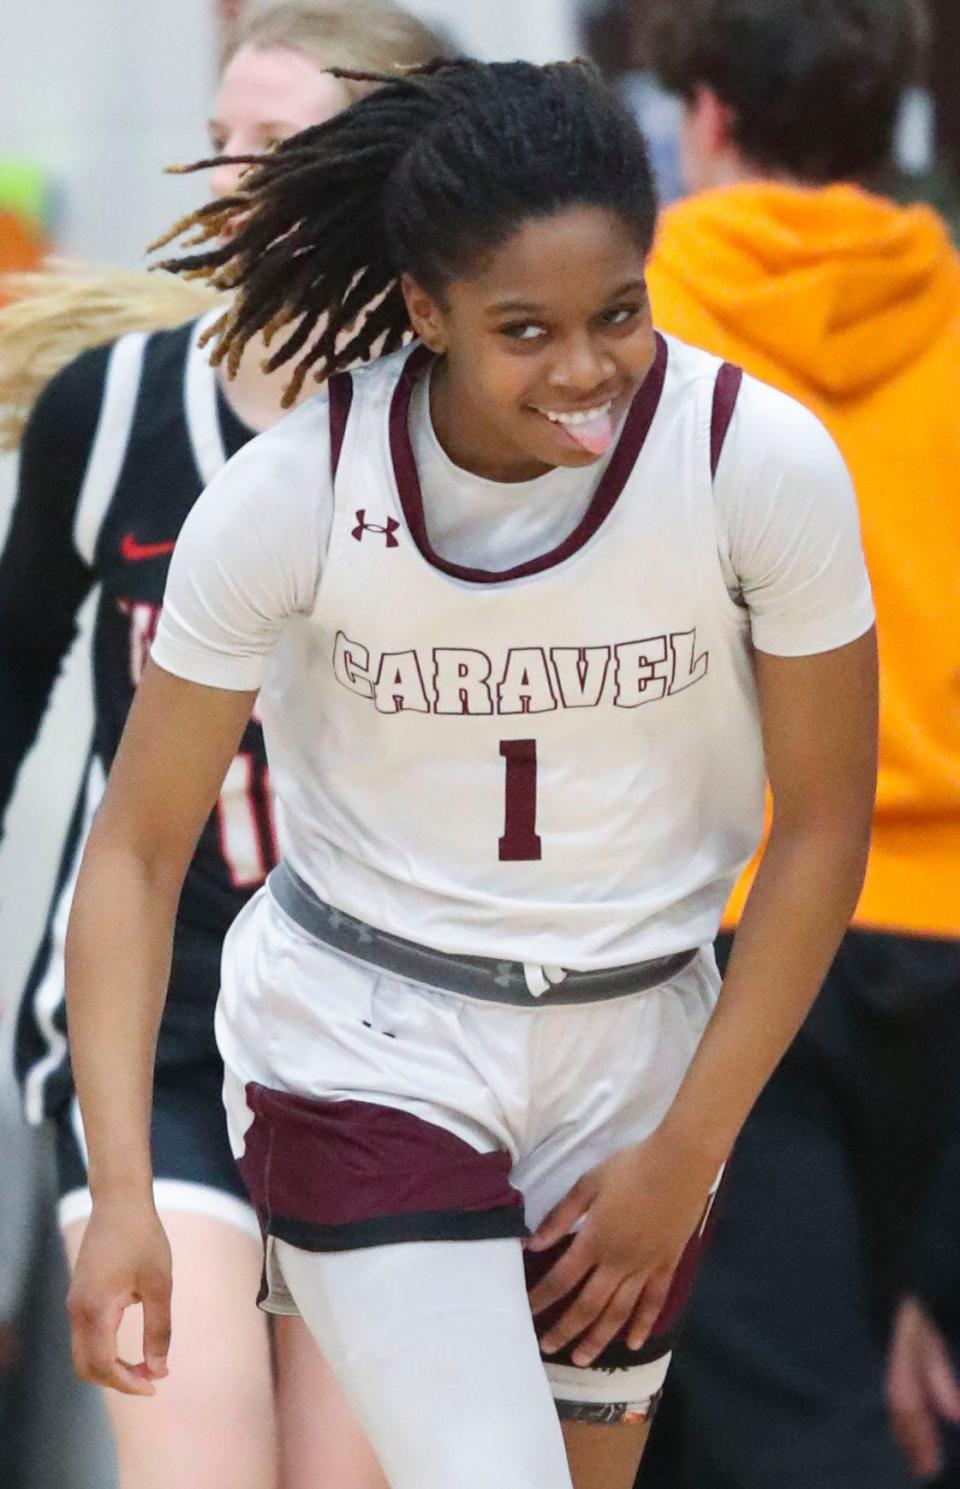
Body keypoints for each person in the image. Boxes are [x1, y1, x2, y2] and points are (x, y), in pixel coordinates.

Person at [62, 57, 877, 1489]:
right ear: (429, 312)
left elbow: (821, 831)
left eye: (618, 311)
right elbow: (131, 851)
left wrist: (688, 1148)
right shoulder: (293, 497)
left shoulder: (764, 467)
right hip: (367, 1040)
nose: (583, 370)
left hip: (643, 1050)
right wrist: (117, 1185)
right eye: (526, 329)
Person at [0, 5, 443, 1487]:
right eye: (221, 139)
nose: (228, 178)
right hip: (157, 1038)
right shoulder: (110, 406)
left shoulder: (459, 442)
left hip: (384, 1043)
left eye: (277, 147)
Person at [637, 2, 960, 1486]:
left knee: (771, 1410)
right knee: (920, 1396)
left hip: (742, 918)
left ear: (704, 117)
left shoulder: (638, 332)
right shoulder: (949, 307)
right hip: (947, 932)